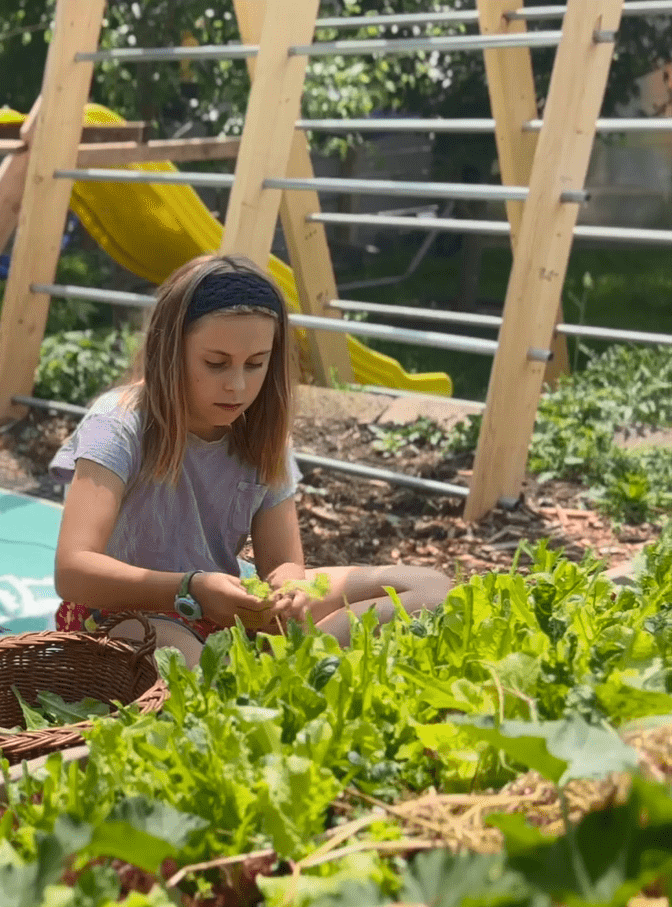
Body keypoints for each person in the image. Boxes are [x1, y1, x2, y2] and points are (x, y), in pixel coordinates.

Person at [50, 253, 452, 664]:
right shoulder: (117, 423)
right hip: (122, 615)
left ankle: (274, 670)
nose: (237, 386)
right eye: (216, 363)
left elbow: (282, 562)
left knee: (430, 590)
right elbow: (73, 570)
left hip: (227, 608)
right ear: (169, 351)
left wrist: (289, 589)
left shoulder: (260, 432)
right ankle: (274, 671)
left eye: (256, 364)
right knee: (190, 666)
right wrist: (191, 590)